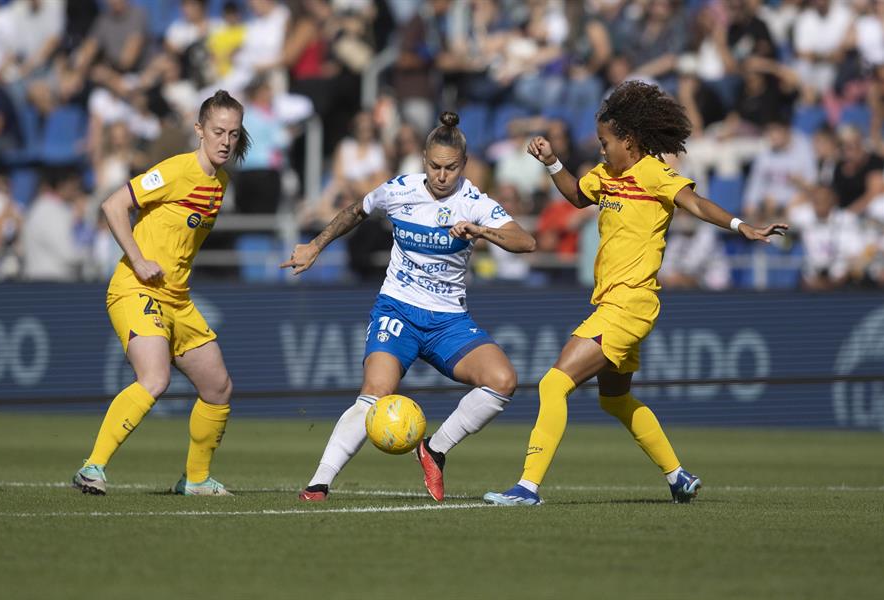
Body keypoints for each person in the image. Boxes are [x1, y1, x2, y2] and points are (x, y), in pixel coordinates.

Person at [484, 81, 787, 506]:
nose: (602, 149)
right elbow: (575, 196)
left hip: (630, 304)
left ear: (629, 139)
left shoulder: (653, 174)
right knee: (615, 399)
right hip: (613, 303)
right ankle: (678, 476)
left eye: (606, 142)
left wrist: (743, 226)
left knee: (553, 384)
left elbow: (696, 204)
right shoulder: (605, 176)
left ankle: (527, 487)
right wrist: (553, 162)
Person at [283, 111, 536, 502]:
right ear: (423, 161)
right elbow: (355, 211)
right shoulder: (399, 190)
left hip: (448, 321)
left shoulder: (474, 202)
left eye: (451, 168)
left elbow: (526, 242)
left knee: (503, 381)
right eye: (434, 166)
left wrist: (480, 230)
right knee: (375, 392)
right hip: (397, 310)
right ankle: (319, 482)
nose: (441, 175)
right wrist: (315, 246)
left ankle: (434, 449)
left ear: (464, 167)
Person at [72, 90, 251, 496]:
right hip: (136, 287)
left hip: (177, 299)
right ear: (199, 130)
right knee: (154, 378)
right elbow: (113, 205)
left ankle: (197, 480)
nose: (225, 141)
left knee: (218, 388)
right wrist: (137, 259)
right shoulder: (176, 170)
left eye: (234, 134)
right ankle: (92, 467)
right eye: (218, 131)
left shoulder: (219, 181)